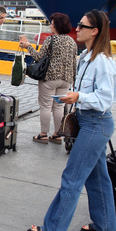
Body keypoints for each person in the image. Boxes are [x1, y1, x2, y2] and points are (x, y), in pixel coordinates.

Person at [28, 9, 116, 231]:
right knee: (98, 177)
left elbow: (106, 99)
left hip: (96, 122)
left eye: (82, 25)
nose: (77, 28)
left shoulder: (103, 62)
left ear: (95, 31)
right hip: (89, 121)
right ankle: (105, 225)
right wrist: (75, 97)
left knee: (72, 177)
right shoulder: (87, 57)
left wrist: (79, 97)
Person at [18, 12, 78, 144]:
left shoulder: (51, 40)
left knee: (45, 106)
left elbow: (38, 57)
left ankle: (43, 134)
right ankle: (57, 134)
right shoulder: (72, 42)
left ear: (57, 25)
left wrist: (28, 45)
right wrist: (73, 80)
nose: (50, 26)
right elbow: (74, 62)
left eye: (52, 23)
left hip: (50, 78)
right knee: (59, 106)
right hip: (66, 79)